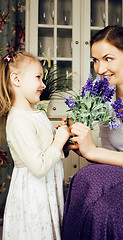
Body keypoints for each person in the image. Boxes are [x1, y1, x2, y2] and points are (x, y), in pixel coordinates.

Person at [61, 25, 123, 239]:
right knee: (84, 178)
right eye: (95, 60)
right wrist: (82, 148)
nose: (99, 69)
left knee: (105, 209)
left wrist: (94, 152)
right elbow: (108, 152)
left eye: (108, 59)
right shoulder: (105, 100)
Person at [0, 51, 70, 240]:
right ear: (16, 79)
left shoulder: (35, 113)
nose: (43, 84)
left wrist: (63, 144)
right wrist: (58, 142)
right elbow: (38, 167)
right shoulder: (18, 120)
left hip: (46, 189)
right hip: (34, 193)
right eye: (38, 77)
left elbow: (45, 149)